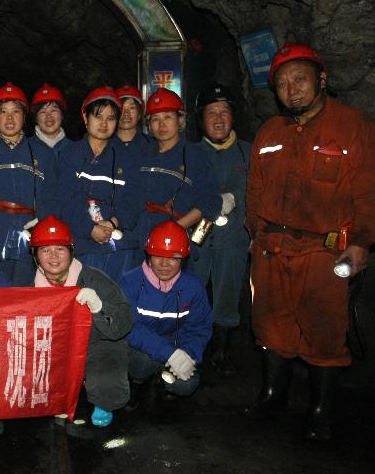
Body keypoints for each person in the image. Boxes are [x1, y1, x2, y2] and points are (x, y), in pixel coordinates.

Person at [245, 42, 375, 441]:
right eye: (282, 84)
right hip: (272, 248)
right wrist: (256, 233)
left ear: (321, 79)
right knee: (270, 326)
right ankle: (273, 396)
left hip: (324, 252)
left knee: (325, 331)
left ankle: (321, 409)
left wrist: (362, 241)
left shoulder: (354, 127)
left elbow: (371, 192)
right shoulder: (270, 132)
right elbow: (254, 191)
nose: (291, 90)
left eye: (299, 79)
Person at [29, 215, 134, 428]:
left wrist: (98, 307)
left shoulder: (95, 278)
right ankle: (59, 396)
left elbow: (124, 323)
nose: (53, 256)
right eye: (45, 250)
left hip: (97, 346)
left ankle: (102, 400)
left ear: (71, 252)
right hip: (58, 350)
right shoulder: (30, 288)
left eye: (60, 249)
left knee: (107, 382)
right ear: (35, 255)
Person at [0, 82, 58, 286]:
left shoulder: (43, 153)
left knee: (25, 299)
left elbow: (53, 197)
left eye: (16, 112)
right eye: (3, 112)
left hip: (29, 243)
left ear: (24, 116)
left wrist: (42, 225)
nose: (9, 118)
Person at [188, 83, 251, 371]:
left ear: (233, 116)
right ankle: (192, 349)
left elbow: (262, 191)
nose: (218, 119)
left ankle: (221, 351)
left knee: (227, 295)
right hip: (196, 240)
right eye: (211, 113)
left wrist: (236, 199)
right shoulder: (189, 153)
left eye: (224, 112)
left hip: (234, 239)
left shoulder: (249, 153)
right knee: (192, 294)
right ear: (201, 119)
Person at [56, 86, 145, 281]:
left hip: (119, 247)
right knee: (84, 298)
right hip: (81, 244)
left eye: (111, 118)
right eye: (98, 116)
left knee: (117, 298)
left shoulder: (127, 158)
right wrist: (90, 229)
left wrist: (113, 223)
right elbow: (66, 201)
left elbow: (134, 201)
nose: (104, 123)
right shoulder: (69, 155)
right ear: (85, 118)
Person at [120, 220, 212, 400]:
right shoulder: (130, 282)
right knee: (143, 362)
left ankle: (162, 383)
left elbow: (199, 327)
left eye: (173, 257)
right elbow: (130, 327)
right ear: (149, 255)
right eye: (158, 256)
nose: (164, 264)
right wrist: (169, 353)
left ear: (183, 258)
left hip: (174, 347)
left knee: (187, 384)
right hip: (139, 349)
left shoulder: (193, 286)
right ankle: (137, 382)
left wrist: (188, 355)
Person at [133, 87, 221, 249]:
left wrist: (175, 228)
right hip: (138, 240)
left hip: (174, 241)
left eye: (168, 117)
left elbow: (211, 201)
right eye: (155, 119)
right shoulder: (140, 154)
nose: (161, 124)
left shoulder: (195, 157)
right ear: (149, 125)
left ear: (180, 120)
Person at [31, 83, 71, 155]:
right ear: (36, 118)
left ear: (62, 115)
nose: (48, 116)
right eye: (43, 112)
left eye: (53, 110)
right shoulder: (25, 149)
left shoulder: (75, 149)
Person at [114, 84, 150, 152]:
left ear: (139, 113)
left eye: (132, 108)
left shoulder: (153, 145)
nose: (126, 113)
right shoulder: (104, 146)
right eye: (121, 108)